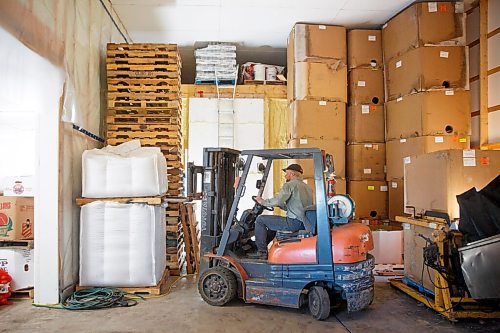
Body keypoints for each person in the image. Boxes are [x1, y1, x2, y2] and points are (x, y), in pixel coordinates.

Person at [248, 164, 313, 259]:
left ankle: (261, 252)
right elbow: (296, 206)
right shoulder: (307, 187)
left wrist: (262, 201)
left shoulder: (289, 185)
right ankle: (260, 246)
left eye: (286, 173)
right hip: (305, 222)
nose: (285, 176)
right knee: (272, 224)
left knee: (260, 220)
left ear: (292, 174)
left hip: (294, 222)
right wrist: (279, 205)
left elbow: (278, 200)